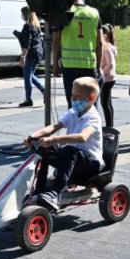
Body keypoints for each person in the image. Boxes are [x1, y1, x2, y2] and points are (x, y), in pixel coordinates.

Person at [24, 77, 104, 209]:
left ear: (91, 97)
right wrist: (33, 136)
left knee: (68, 150)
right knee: (45, 149)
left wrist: (55, 139)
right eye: (72, 95)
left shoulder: (93, 117)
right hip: (73, 159)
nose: (73, 99)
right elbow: (54, 126)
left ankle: (56, 193)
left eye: (77, 96)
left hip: (91, 165)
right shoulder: (73, 112)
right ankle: (39, 189)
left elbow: (82, 137)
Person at [52, 0, 103, 109]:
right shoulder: (94, 13)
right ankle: (91, 128)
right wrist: (99, 66)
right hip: (89, 65)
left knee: (73, 105)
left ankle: (75, 128)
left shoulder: (64, 11)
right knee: (91, 105)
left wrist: (55, 63)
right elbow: (100, 42)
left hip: (69, 66)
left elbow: (56, 40)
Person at [14, 6, 45, 107]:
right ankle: (44, 91)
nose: (21, 15)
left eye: (22, 13)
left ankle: (28, 99)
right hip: (38, 53)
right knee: (30, 75)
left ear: (26, 14)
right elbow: (28, 37)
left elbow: (27, 42)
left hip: (30, 54)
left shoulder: (27, 26)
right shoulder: (36, 25)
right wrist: (17, 34)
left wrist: (23, 56)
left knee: (27, 77)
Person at [100, 24, 117, 127]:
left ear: (105, 35)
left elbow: (110, 64)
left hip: (107, 79)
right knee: (108, 103)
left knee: (105, 104)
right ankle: (110, 125)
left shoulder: (107, 47)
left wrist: (101, 73)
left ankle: (109, 127)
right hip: (108, 78)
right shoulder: (105, 46)